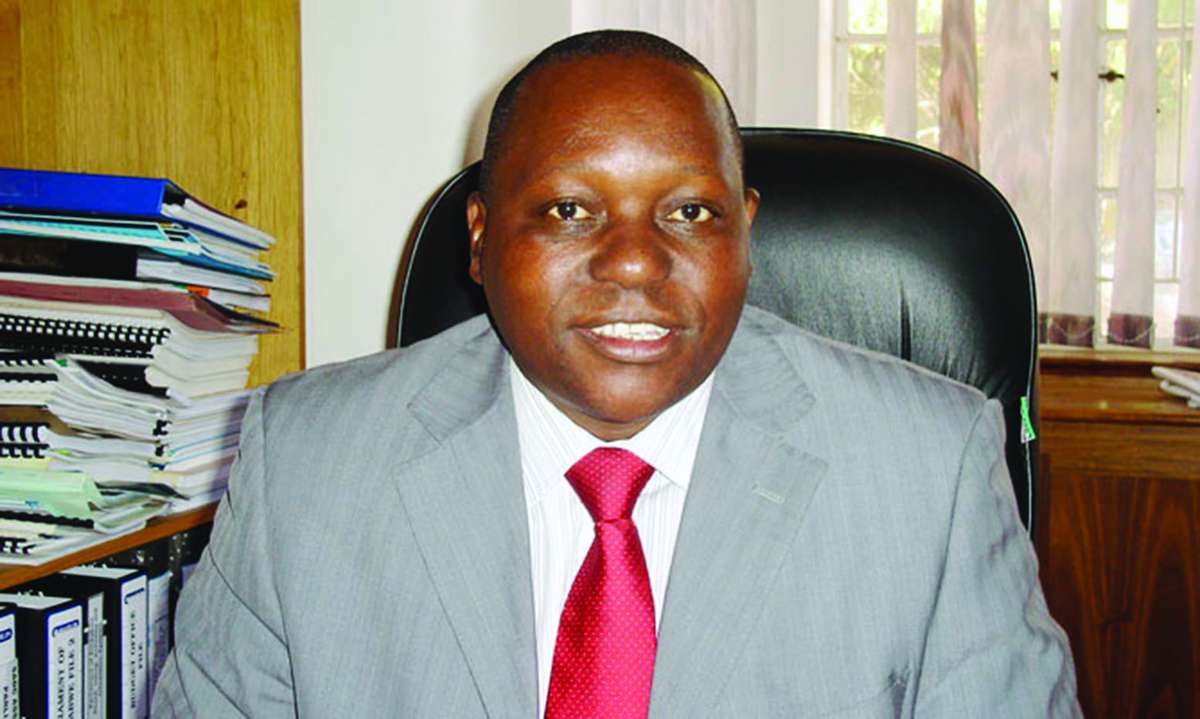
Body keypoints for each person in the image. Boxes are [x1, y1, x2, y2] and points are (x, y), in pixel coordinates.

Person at [153, 30, 1079, 718]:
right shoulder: (305, 463)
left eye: (689, 212)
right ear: (480, 239)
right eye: (568, 210)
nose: (635, 261)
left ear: (745, 233)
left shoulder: (928, 469)